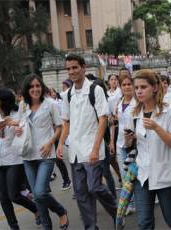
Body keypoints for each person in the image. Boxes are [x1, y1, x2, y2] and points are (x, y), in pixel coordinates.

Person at [57, 54, 117, 229]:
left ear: (83, 68)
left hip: (92, 149)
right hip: (75, 151)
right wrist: (61, 143)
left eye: (75, 67)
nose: (72, 71)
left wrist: (95, 148)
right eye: (68, 69)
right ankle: (91, 227)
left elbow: (103, 119)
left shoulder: (95, 89)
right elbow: (66, 122)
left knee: (95, 187)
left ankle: (117, 212)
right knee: (81, 194)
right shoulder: (67, 95)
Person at [124, 69, 171, 229]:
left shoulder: (169, 111)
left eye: (143, 87)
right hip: (142, 175)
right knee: (144, 223)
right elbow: (131, 146)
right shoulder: (133, 113)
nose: (139, 91)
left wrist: (157, 127)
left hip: (165, 175)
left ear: (154, 88)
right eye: (137, 88)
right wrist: (128, 140)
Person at [15, 74, 69, 230]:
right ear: (27, 89)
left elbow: (60, 127)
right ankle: (47, 226)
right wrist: (18, 129)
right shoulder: (22, 105)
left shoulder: (50, 104)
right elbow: (20, 125)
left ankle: (61, 211)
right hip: (27, 155)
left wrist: (50, 143)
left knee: (39, 193)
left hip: (46, 155)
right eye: (31, 86)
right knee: (38, 198)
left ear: (42, 87)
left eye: (37, 86)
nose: (35, 89)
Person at [0, 87, 39, 230]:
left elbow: (26, 134)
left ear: (4, 101)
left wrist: (18, 127)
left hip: (14, 161)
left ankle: (35, 209)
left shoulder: (18, 115)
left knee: (14, 195)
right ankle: (13, 226)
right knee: (3, 197)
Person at [111, 73, 137, 215]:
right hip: (121, 143)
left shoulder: (138, 102)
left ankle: (145, 198)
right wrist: (112, 142)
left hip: (135, 145)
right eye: (124, 85)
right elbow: (116, 123)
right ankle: (130, 204)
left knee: (135, 175)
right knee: (124, 174)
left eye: (129, 84)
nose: (127, 87)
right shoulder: (119, 102)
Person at [48, 88, 72, 190]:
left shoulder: (54, 104)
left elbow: (60, 121)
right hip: (45, 137)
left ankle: (67, 180)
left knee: (58, 159)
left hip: (55, 134)